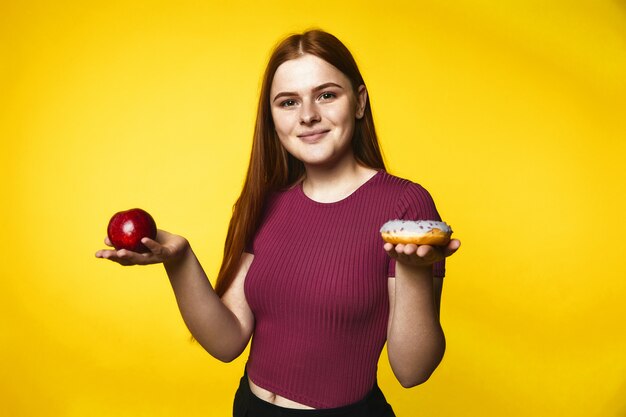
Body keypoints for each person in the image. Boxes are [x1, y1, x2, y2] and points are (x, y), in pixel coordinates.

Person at [96, 29, 461, 417]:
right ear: (271, 118)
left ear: (359, 102)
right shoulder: (265, 203)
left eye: (326, 95)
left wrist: (413, 271)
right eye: (288, 102)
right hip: (250, 407)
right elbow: (227, 341)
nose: (307, 116)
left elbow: (412, 371)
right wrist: (179, 259)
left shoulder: (404, 205)